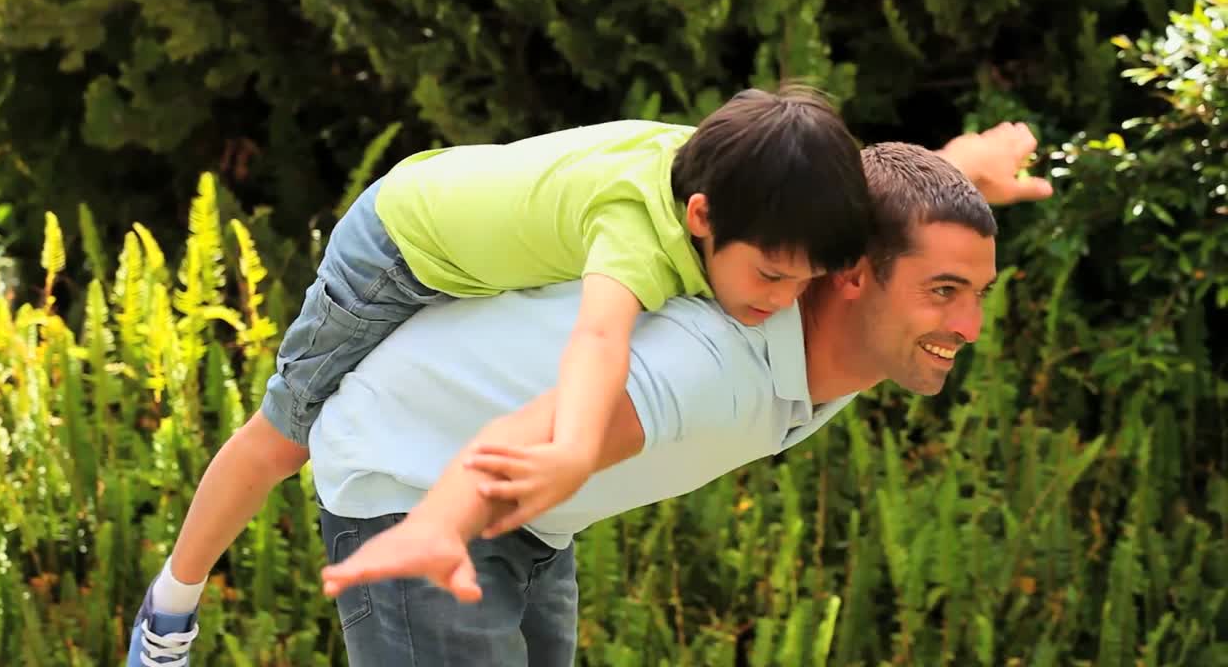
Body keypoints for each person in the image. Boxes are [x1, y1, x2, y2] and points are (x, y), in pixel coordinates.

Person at [126, 85, 875, 665]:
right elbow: (597, 341)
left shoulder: (749, 178)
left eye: (804, 282)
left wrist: (971, 167)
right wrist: (575, 448)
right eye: (773, 276)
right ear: (703, 217)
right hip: (397, 248)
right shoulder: (634, 229)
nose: (782, 302)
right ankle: (171, 605)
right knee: (284, 440)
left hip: (470, 242)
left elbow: (880, 183)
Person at [306, 139, 1029, 665]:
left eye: (976, 294)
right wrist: (438, 525)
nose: (969, 328)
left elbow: (894, 208)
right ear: (852, 277)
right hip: (415, 481)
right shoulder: (714, 363)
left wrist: (965, 164)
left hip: (534, 523)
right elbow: (542, 427)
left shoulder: (836, 294)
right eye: (944, 293)